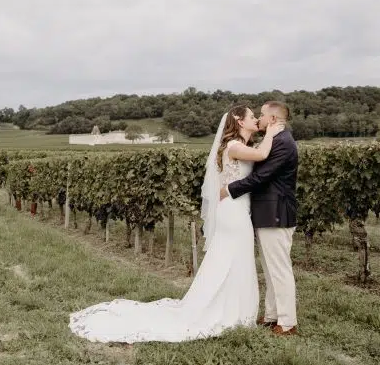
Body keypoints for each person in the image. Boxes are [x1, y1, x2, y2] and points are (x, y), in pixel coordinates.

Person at [68, 106, 284, 343]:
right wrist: (273, 132)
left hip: (236, 209)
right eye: (252, 116)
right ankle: (231, 311)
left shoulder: (240, 146)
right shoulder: (234, 146)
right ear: (238, 120)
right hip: (233, 213)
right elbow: (263, 155)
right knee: (234, 259)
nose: (255, 119)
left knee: (233, 259)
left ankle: (232, 308)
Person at [220, 100, 299, 336]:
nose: (259, 119)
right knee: (270, 267)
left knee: (280, 269)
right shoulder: (276, 140)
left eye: (262, 115)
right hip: (267, 213)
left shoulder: (283, 143)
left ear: (273, 119)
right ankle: (273, 315)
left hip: (276, 213)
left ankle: (287, 323)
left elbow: (262, 177)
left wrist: (230, 189)